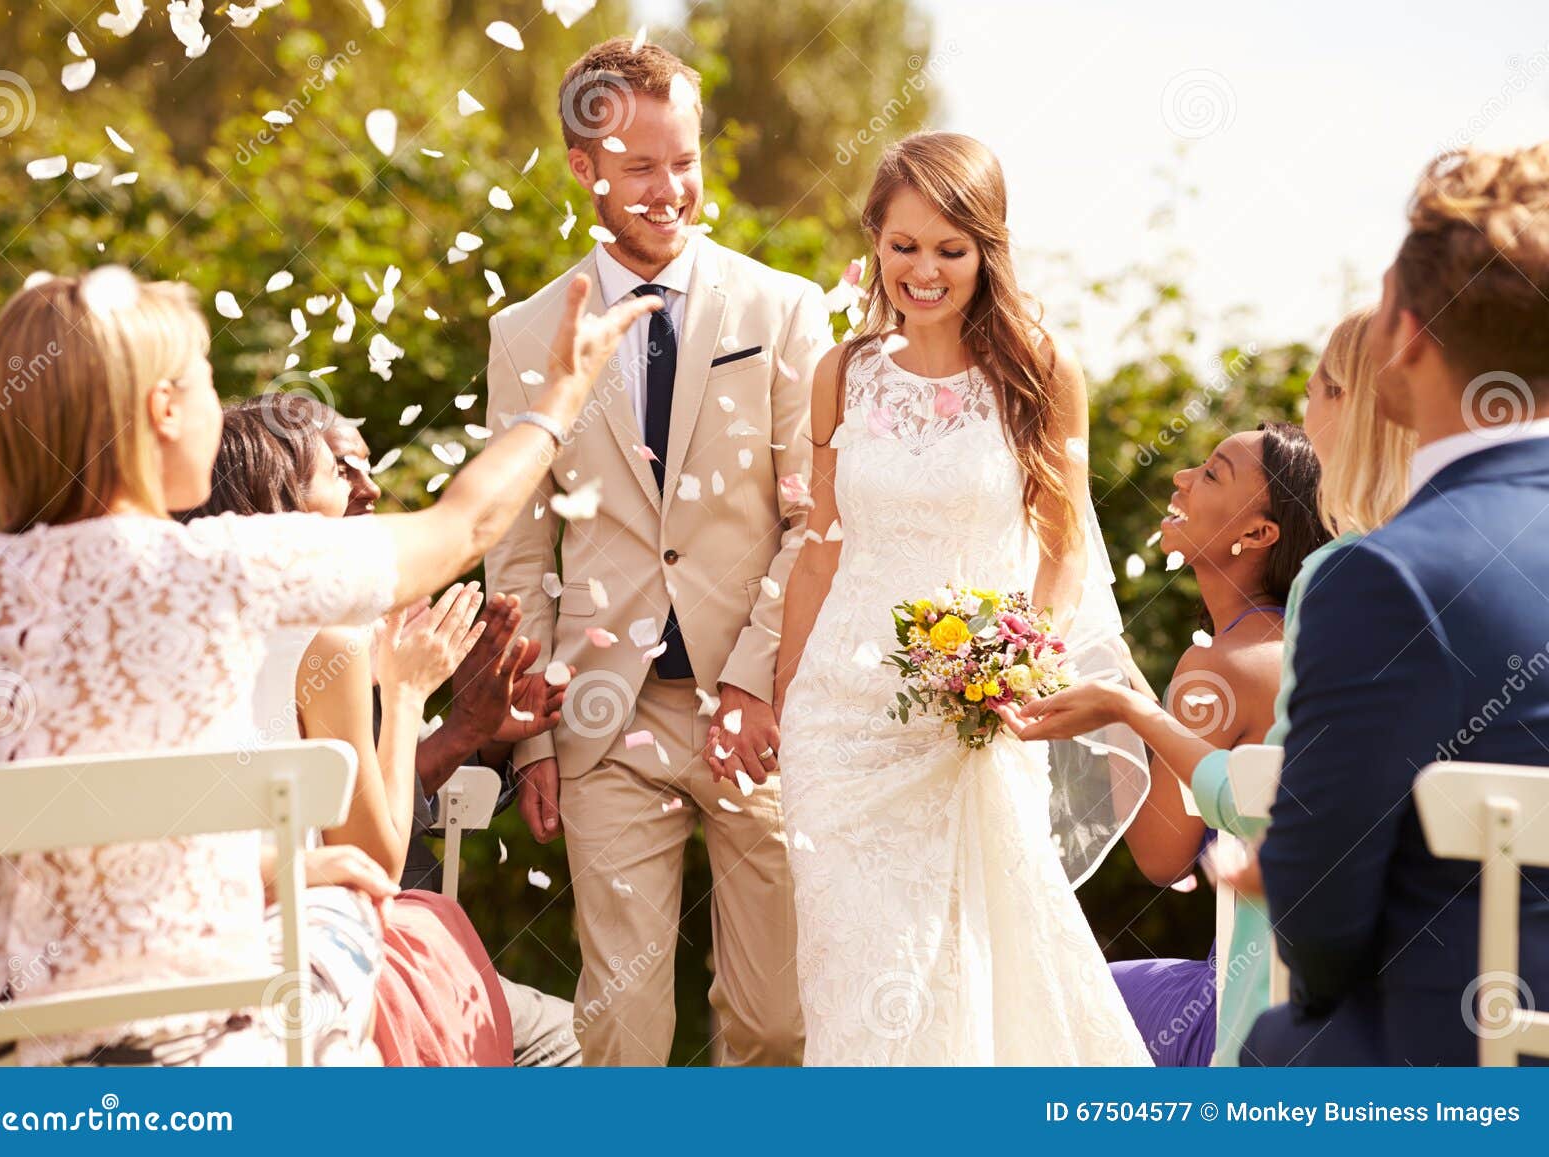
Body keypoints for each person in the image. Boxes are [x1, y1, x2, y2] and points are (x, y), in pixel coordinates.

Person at [0, 264, 657, 1064]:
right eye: (209, 384)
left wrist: (272, 863)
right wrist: (561, 391)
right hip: (211, 1040)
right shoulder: (227, 563)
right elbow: (465, 525)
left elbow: (76, 862)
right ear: (164, 410)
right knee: (361, 899)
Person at [483, 38, 830, 1066]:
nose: (670, 188)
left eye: (684, 159)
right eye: (640, 166)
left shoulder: (783, 309)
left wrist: (758, 683)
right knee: (623, 1028)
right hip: (601, 712)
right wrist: (532, 736)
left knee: (775, 1019)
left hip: (754, 707)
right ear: (585, 167)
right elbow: (516, 548)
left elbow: (814, 519)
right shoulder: (524, 332)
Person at [774, 131, 1151, 1064]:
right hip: (841, 725)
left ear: (988, 249)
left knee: (983, 958)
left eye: (951, 248)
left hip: (976, 718)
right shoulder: (842, 374)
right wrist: (786, 703)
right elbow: (821, 550)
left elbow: (1064, 549)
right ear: (874, 243)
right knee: (856, 972)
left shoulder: (1042, 374)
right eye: (903, 246)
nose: (925, 270)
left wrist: (1016, 664)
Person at [1248, 142, 1549, 1065]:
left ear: (1407, 333)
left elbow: (1316, 923)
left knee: (1273, 1046)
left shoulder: (1386, 577)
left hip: (1460, 1074)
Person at [1014, 419, 1335, 1065]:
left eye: (1212, 472)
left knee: (1040, 1006)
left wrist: (1122, 710)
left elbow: (1163, 859)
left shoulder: (1217, 667)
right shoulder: (1285, 647)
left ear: (1257, 534)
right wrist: (1129, 690)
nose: (1181, 478)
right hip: (1310, 998)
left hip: (1235, 1008)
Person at [319, 405, 584, 1067]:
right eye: (340, 468)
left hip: (403, 942)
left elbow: (388, 781)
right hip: (355, 957)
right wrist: (446, 717)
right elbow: (360, 829)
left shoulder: (368, 610)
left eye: (368, 467)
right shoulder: (320, 640)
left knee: (579, 1031)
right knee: (572, 1041)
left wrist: (483, 735)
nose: (370, 489)